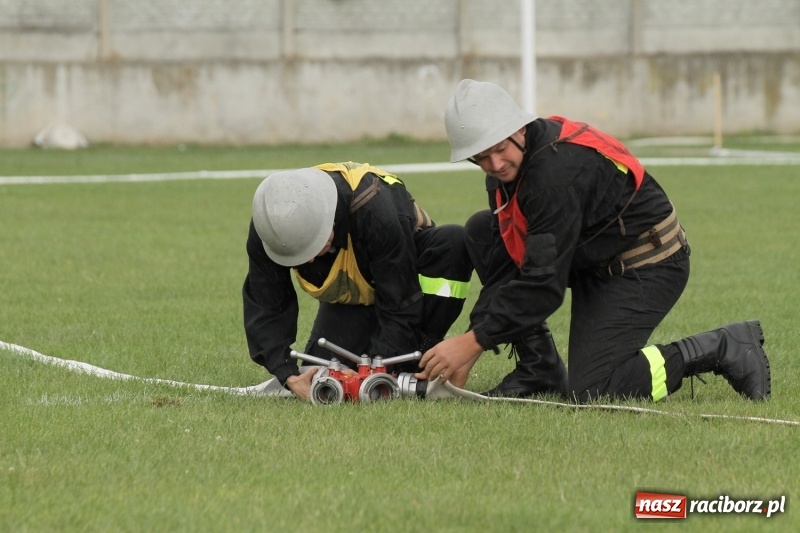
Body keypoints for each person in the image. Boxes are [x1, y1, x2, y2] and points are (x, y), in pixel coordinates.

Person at [416, 79, 771, 403]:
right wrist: (477, 336)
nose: (494, 164)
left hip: (647, 263)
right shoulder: (510, 171)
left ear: (518, 128)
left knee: (595, 390)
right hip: (591, 260)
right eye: (480, 157)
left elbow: (542, 286)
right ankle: (540, 369)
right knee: (483, 230)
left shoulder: (554, 175)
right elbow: (516, 260)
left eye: (498, 149)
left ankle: (721, 346)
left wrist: (473, 341)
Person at [243, 161, 473, 401]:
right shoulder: (272, 226)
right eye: (297, 255)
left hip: (405, 286)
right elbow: (266, 303)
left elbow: (400, 302)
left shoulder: (374, 211)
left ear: (329, 218)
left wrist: (378, 371)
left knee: (452, 242)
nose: (308, 261)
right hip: (354, 299)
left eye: (314, 246)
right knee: (327, 376)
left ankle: (423, 355)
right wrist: (288, 375)